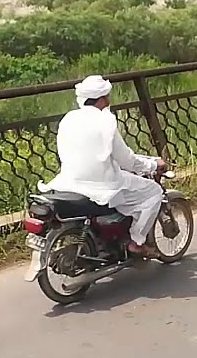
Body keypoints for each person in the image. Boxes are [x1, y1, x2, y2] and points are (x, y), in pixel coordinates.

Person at [39, 75, 168, 258]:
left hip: (69, 181)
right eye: (107, 97)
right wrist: (152, 164)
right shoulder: (105, 122)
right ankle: (136, 242)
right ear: (102, 99)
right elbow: (127, 161)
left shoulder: (68, 119)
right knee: (153, 192)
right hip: (102, 185)